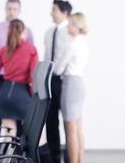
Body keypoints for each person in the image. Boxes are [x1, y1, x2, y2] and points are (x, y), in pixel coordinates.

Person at [0, 0, 34, 129]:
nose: (11, 12)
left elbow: (31, 61)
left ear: (19, 10)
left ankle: (17, 148)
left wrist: (30, 85)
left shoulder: (27, 32)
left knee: (18, 117)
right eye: (9, 8)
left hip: (20, 81)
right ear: (5, 9)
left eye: (14, 9)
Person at [0, 19, 38, 138]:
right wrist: (32, 94)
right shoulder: (31, 49)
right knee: (29, 132)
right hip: (22, 94)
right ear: (24, 31)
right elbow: (33, 76)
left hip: (5, 93)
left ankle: (7, 156)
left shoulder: (3, 50)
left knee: (8, 133)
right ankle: (23, 156)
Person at [54, 13, 89, 163]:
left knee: (70, 129)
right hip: (80, 83)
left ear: (76, 26)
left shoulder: (73, 44)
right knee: (78, 127)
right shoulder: (84, 42)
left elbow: (58, 70)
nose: (68, 26)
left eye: (70, 24)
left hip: (70, 85)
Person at [44, 0, 73, 163]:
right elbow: (47, 57)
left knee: (67, 120)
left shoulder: (70, 32)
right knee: (51, 119)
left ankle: (70, 156)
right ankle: (54, 156)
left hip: (64, 81)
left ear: (64, 13)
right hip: (50, 81)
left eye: (54, 10)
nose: (51, 12)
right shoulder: (49, 32)